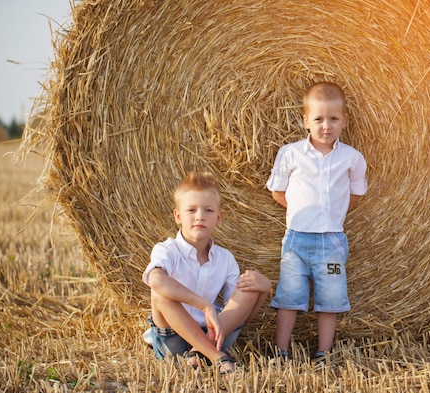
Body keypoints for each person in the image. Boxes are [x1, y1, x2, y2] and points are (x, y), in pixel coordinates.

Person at [266, 81, 367, 364]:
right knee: (288, 296)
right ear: (306, 121)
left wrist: (331, 214)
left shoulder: (352, 158)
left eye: (334, 119)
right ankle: (281, 351)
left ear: (344, 121)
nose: (326, 126)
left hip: (332, 243)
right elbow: (277, 190)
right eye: (319, 119)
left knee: (331, 297)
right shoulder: (291, 153)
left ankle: (324, 352)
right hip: (296, 241)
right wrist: (300, 209)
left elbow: (356, 193)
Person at [142, 171, 271, 374]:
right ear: (178, 216)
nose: (200, 216)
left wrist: (263, 290)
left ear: (219, 218)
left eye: (208, 210)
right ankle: (216, 357)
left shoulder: (225, 258)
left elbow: (239, 316)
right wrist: (205, 306)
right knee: (160, 291)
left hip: (214, 334)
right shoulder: (166, 249)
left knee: (248, 287)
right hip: (173, 337)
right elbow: (156, 281)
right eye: (191, 210)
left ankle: (199, 351)